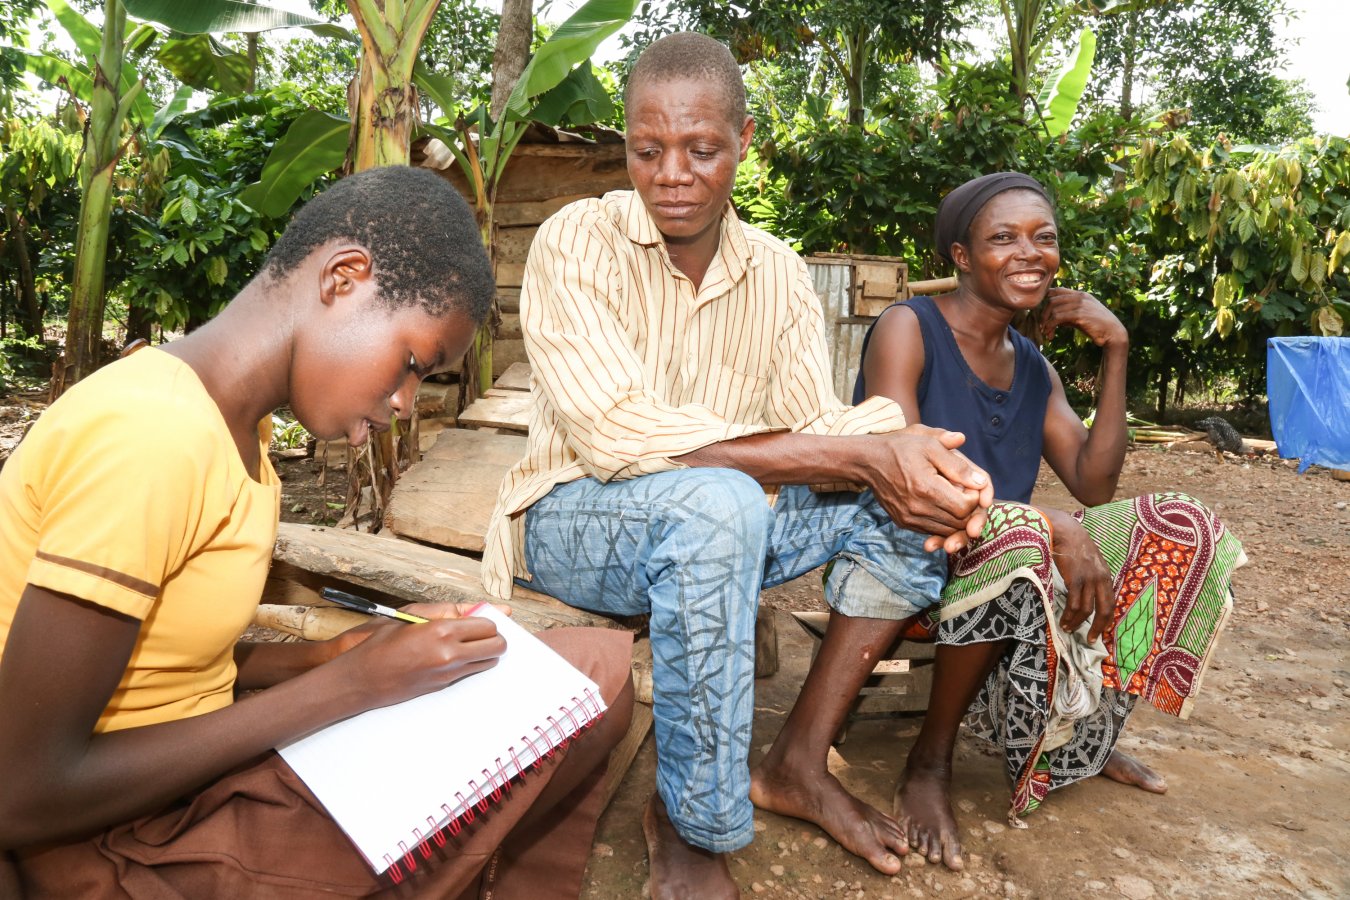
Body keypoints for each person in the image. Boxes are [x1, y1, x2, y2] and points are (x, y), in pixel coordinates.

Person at [0, 165, 634, 899]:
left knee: (579, 671)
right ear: (344, 278)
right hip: (110, 846)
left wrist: (327, 656)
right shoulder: (154, 435)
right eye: (410, 365)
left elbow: (160, 668)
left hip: (159, 791)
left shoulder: (237, 435)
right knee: (587, 687)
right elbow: (20, 790)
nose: (403, 402)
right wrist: (347, 686)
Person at [481, 33, 1000, 899]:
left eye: (702, 149)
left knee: (909, 503)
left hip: (724, 518)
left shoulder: (779, 274)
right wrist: (859, 454)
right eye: (648, 150)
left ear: (745, 141)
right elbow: (614, 434)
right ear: (626, 145)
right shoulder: (578, 239)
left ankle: (798, 759)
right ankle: (692, 823)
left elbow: (819, 425)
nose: (672, 173)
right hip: (570, 516)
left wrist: (921, 459)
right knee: (720, 504)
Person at [854, 171, 1246, 870]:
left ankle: (1078, 739)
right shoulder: (907, 329)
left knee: (1180, 524)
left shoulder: (1033, 367)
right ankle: (928, 764)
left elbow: (1095, 484)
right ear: (962, 256)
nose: (1029, 252)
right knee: (1028, 534)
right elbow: (902, 467)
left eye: (1044, 237)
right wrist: (1050, 525)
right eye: (1002, 237)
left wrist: (1115, 350)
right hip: (906, 550)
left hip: (1011, 552)